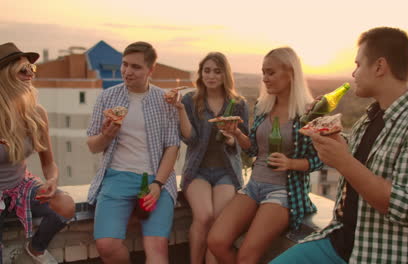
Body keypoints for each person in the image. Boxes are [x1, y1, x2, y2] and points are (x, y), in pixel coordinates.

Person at [271, 27, 408, 264]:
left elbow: (406, 208)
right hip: (340, 243)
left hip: (384, 255)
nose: (354, 73)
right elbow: (356, 154)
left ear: (379, 67)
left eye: (358, 65)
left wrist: (343, 162)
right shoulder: (372, 117)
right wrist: (321, 129)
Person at [207, 47, 323, 264]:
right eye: (263, 73)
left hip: (284, 192)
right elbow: (253, 150)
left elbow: (321, 158)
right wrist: (237, 133)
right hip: (254, 186)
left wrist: (291, 163)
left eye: (271, 73)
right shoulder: (263, 106)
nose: (265, 79)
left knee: (246, 257)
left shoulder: (309, 112)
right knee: (215, 241)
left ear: (290, 73)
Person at [86, 41, 180, 264]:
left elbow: (172, 146)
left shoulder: (164, 100)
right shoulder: (107, 98)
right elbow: (92, 145)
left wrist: (158, 184)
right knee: (106, 245)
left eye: (136, 67)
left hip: (155, 180)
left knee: (157, 249)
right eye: (125, 64)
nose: (127, 71)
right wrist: (107, 135)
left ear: (150, 70)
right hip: (116, 177)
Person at [165, 52, 249, 264]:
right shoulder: (190, 100)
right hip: (198, 171)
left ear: (225, 74)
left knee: (219, 221)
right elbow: (190, 139)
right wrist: (181, 110)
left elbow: (246, 143)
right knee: (203, 216)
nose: (211, 76)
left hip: (227, 172)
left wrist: (231, 139)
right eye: (207, 70)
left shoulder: (238, 103)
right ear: (201, 73)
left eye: (217, 71)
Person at [0, 42, 75, 264]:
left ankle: (35, 250)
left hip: (19, 186)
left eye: (31, 69)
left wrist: (52, 179)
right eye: (22, 71)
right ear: (4, 77)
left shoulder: (36, 113)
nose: (29, 75)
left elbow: (49, 163)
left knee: (65, 204)